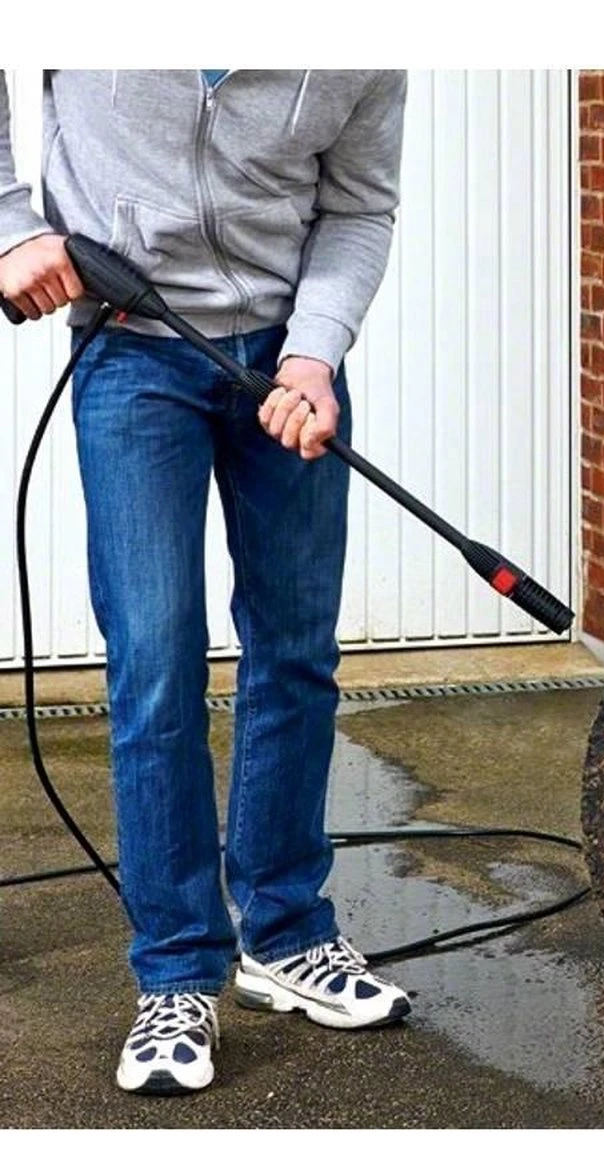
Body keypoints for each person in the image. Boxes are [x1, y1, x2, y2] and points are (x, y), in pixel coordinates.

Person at [0, 69, 411, 1096]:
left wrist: (315, 356)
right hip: (132, 354)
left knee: (297, 650)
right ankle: (178, 972)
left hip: (286, 362)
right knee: (155, 664)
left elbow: (359, 206)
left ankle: (285, 931)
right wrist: (11, 226)